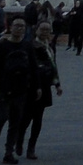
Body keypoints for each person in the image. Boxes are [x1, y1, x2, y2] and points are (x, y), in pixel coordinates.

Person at [0, 15, 34, 163]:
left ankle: (8, 152)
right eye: (17, 25)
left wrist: (36, 86)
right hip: (3, 89)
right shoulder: (3, 46)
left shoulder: (27, 46)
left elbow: (33, 67)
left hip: (21, 89)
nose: (19, 28)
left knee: (15, 122)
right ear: (10, 27)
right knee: (1, 118)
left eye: (22, 26)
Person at [20, 21, 62, 158]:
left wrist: (57, 84)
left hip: (44, 85)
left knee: (38, 118)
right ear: (36, 30)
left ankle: (31, 147)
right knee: (27, 117)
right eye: (42, 29)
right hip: (32, 86)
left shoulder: (50, 46)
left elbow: (53, 65)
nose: (45, 32)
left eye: (48, 30)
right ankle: (19, 139)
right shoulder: (32, 46)